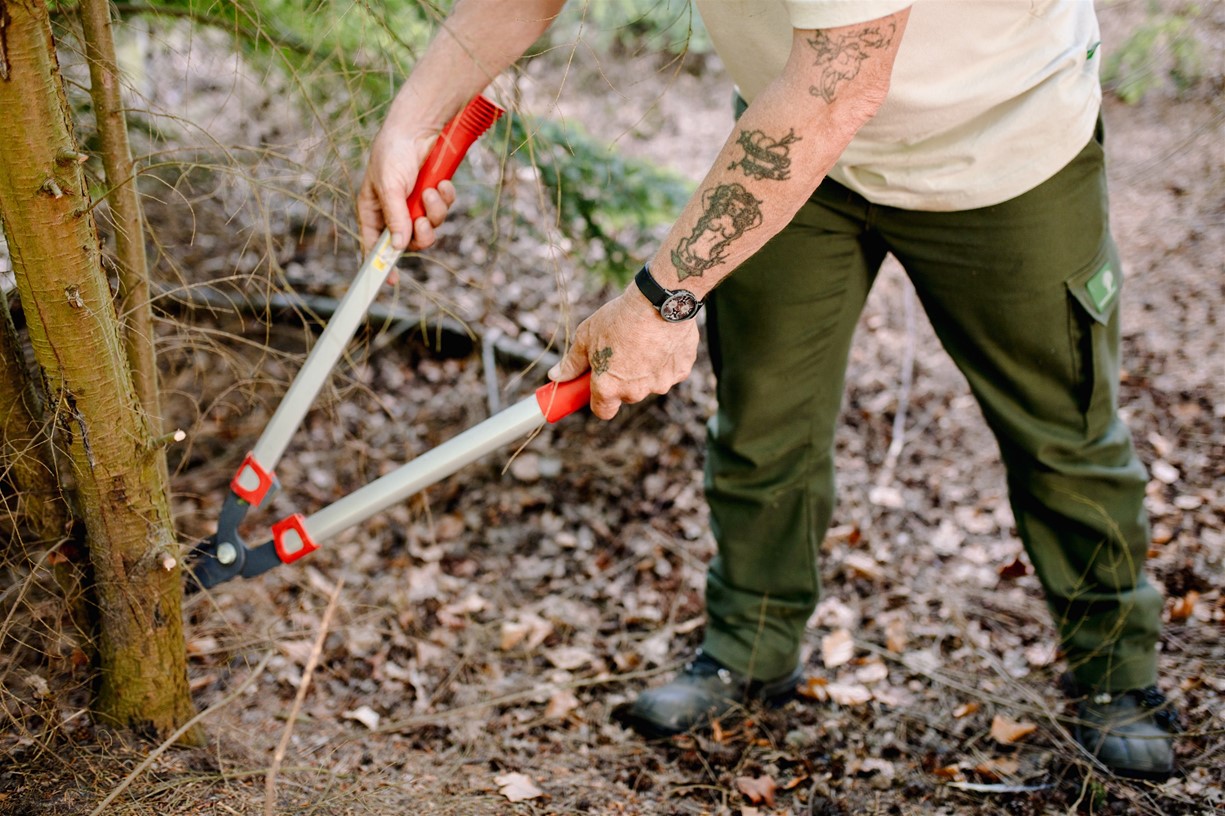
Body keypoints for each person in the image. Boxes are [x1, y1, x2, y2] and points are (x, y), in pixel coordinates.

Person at [358, 0, 1178, 779]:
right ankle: (749, 646)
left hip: (996, 151)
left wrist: (662, 300)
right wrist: (414, 122)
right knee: (761, 420)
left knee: (1060, 431)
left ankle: (1116, 672)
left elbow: (842, 83)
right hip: (794, 153)